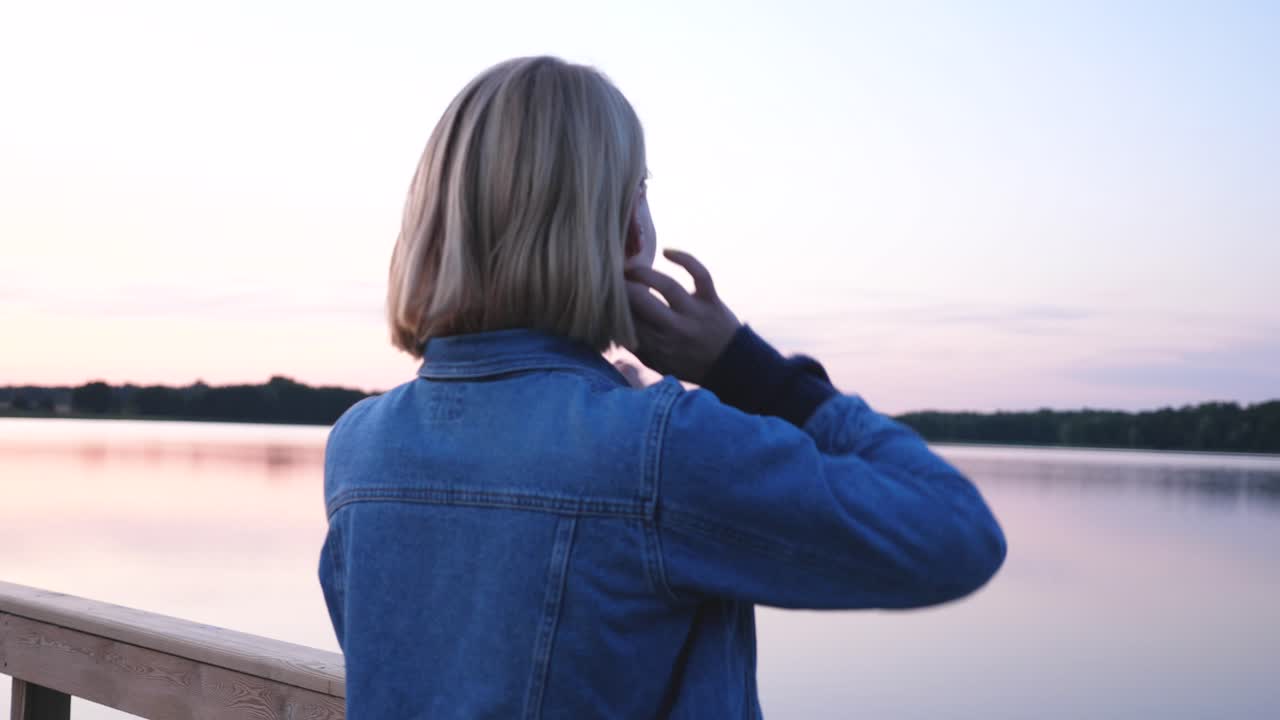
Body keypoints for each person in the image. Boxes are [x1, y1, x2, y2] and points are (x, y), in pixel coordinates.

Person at [318, 55, 1006, 719]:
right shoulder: (658, 450)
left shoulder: (359, 448)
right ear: (624, 230)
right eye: (639, 188)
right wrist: (749, 371)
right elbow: (957, 533)